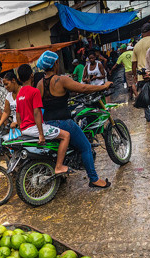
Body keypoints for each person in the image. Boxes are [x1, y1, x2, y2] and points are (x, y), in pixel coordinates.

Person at [35, 51, 113, 189]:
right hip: (64, 122)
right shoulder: (61, 80)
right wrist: (103, 86)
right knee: (86, 147)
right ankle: (94, 179)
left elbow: (38, 107)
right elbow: (83, 87)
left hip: (48, 123)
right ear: (55, 64)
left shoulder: (40, 84)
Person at [16, 63, 71, 177]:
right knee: (66, 136)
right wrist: (41, 134)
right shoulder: (34, 91)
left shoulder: (19, 94)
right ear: (32, 76)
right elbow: (37, 113)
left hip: (25, 129)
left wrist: (21, 129)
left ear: (19, 78)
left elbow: (18, 114)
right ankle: (59, 166)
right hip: (34, 128)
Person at [132, 22, 150, 123]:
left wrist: (134, 76)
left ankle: (149, 118)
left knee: (146, 99)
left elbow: (134, 63)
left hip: (141, 77)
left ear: (142, 33)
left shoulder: (136, 46)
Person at [0, 71, 21, 139]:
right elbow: (6, 112)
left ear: (13, 80)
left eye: (7, 84)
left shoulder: (23, 91)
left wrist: (17, 123)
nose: (6, 87)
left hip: (25, 125)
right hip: (15, 127)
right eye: (4, 85)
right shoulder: (9, 96)